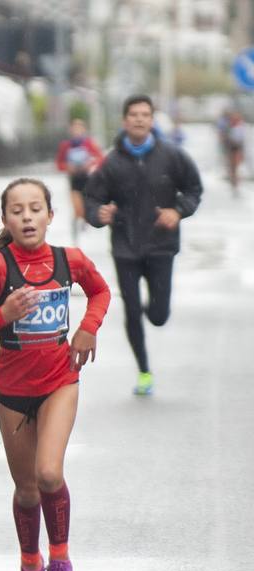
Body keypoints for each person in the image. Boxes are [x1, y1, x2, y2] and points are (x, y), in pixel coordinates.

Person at [0, 178, 110, 571]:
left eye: (35, 208)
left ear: (50, 216)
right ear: (5, 220)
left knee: (48, 473)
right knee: (25, 490)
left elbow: (100, 292)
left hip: (60, 380)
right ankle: (29, 568)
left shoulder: (69, 260)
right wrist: (2, 315)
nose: (26, 217)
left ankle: (60, 560)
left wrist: (88, 328)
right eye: (17, 210)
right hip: (14, 392)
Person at [84, 94, 201, 396]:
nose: (139, 119)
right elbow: (92, 199)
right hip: (126, 246)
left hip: (161, 245)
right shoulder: (111, 162)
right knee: (131, 311)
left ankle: (156, 309)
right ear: (125, 121)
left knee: (158, 316)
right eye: (133, 114)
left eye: (145, 114)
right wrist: (99, 213)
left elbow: (193, 189)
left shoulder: (173, 156)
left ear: (151, 120)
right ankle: (144, 370)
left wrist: (178, 211)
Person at [54, 117, 104, 244]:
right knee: (77, 210)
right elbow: (59, 164)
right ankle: (75, 238)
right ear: (70, 130)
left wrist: (89, 164)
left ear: (84, 129)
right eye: (74, 128)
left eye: (79, 128)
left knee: (87, 208)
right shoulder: (65, 146)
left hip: (88, 181)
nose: (77, 131)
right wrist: (67, 167)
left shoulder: (89, 143)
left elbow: (100, 159)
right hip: (74, 182)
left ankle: (85, 224)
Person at [223, 110, 246, 195]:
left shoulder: (239, 128)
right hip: (231, 149)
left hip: (236, 149)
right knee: (232, 168)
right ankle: (234, 184)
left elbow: (240, 141)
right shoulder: (231, 127)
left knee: (235, 168)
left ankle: (236, 185)